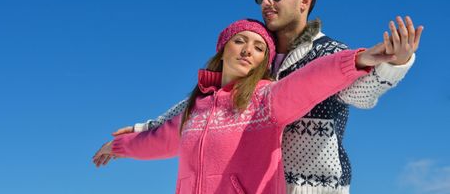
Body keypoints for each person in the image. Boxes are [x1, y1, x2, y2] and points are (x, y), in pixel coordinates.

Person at [106, 0, 423, 194]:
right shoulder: (257, 59)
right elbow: (203, 108)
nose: (265, 3)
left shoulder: (328, 52)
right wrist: (145, 128)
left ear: (304, 0)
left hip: (312, 187)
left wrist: (393, 62)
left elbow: (361, 93)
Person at [93, 19, 402, 193]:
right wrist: (116, 147)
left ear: (262, 62)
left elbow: (312, 80)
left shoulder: (266, 100)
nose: (247, 51)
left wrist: (360, 59)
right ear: (224, 47)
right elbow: (156, 141)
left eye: (258, 48)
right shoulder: (196, 108)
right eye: (240, 41)